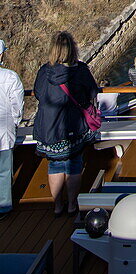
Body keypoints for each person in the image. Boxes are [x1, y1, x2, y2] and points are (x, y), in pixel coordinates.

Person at [32, 31, 99, 217]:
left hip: (49, 129)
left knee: (54, 166)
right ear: (73, 50)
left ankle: (57, 206)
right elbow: (92, 93)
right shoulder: (80, 70)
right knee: (74, 165)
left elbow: (38, 94)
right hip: (73, 127)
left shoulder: (44, 71)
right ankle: (71, 205)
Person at [0, 38, 24, 218]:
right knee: (4, 171)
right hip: (4, 133)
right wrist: (15, 123)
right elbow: (17, 105)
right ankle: (4, 207)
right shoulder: (10, 77)